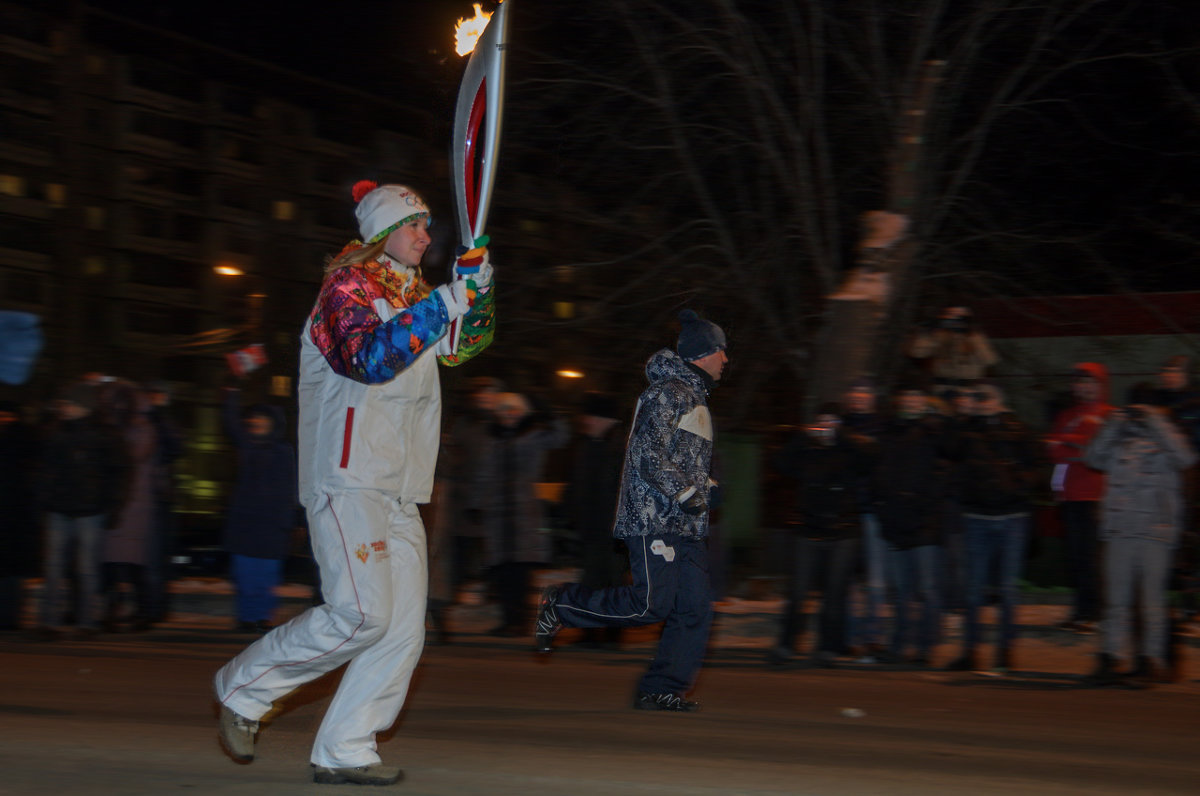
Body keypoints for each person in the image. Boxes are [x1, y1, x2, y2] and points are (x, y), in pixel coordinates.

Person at [213, 180, 495, 786]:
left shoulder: (415, 293)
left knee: (401, 630)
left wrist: (480, 292)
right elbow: (369, 358)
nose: (426, 236)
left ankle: (346, 745)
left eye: (427, 227)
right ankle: (244, 687)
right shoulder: (343, 291)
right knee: (362, 612)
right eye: (415, 225)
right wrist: (450, 298)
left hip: (402, 484)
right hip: (347, 477)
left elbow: (462, 346)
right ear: (382, 233)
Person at [534, 309, 727, 712]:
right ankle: (562, 604)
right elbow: (645, 455)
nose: (726, 359)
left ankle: (662, 687)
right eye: (721, 351)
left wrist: (706, 490)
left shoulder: (692, 397)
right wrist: (688, 492)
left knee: (693, 609)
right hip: (654, 519)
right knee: (649, 605)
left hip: (685, 524)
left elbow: (680, 461)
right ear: (704, 353)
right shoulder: (669, 392)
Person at [1084, 384, 1196, 686]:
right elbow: (1092, 457)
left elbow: (1186, 458)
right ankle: (1109, 659)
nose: (1137, 411)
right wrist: (1114, 423)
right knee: (1116, 602)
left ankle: (1150, 662)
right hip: (1120, 530)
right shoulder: (1119, 436)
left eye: (1143, 406)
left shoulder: (1168, 434)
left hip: (1154, 532)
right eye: (1134, 406)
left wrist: (1155, 419)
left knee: (1152, 602)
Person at [943, 383, 1042, 674]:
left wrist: (1017, 486)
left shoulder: (1016, 428)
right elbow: (948, 449)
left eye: (984, 398)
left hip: (1011, 517)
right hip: (977, 517)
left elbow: (1039, 464)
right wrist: (964, 417)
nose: (978, 402)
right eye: (975, 398)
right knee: (973, 590)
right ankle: (970, 651)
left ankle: (1005, 651)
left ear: (1000, 401)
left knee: (1008, 589)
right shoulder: (967, 429)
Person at [768, 403, 872, 666]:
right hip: (808, 529)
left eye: (832, 422)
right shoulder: (807, 450)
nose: (826, 427)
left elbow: (868, 462)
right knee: (799, 591)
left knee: (834, 594)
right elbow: (780, 463)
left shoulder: (850, 450)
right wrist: (803, 436)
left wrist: (843, 437)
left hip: (843, 531)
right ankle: (786, 645)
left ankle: (828, 647)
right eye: (822, 422)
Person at [32, 382, 128, 639]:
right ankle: (49, 622)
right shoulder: (56, 430)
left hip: (90, 510)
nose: (65, 408)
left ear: (84, 406)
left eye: (70, 404)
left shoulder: (105, 434)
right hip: (59, 508)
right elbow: (43, 468)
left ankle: (86, 622)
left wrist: (112, 505)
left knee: (86, 568)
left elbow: (119, 472)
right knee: (53, 567)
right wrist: (43, 498)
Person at [472, 391, 569, 635]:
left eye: (513, 410)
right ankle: (508, 619)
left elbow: (561, 437)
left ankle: (519, 620)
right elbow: (482, 474)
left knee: (520, 570)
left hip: (524, 513)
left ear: (521, 413)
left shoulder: (533, 436)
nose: (508, 415)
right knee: (502, 570)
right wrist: (475, 504)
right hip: (497, 515)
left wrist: (550, 413)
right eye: (503, 410)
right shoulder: (491, 439)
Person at [873, 383, 950, 667]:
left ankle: (926, 648)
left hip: (925, 522)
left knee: (928, 588)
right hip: (896, 519)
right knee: (903, 590)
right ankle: (899, 644)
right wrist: (884, 504)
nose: (912, 401)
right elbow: (880, 471)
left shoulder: (935, 431)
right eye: (908, 396)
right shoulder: (891, 430)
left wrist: (923, 505)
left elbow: (943, 472)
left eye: (917, 397)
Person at [220, 384, 296, 634]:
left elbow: (289, 488)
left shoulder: (283, 452)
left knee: (266, 578)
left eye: (262, 420)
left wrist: (287, 523)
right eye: (254, 420)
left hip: (271, 526)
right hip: (245, 523)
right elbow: (230, 423)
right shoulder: (247, 447)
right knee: (245, 577)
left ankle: (262, 616)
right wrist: (231, 391)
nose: (257, 423)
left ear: (272, 424)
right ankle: (246, 617)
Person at [1046, 363, 1112, 634]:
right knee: (1074, 558)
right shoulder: (1066, 415)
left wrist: (1071, 445)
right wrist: (1077, 446)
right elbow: (1052, 451)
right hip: (1069, 496)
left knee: (1091, 558)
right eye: (1079, 382)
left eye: (1089, 382)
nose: (1083, 387)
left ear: (1100, 385)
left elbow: (1099, 453)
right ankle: (1080, 610)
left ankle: (1096, 613)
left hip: (1095, 496)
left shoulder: (1109, 416)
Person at [564, 391, 628, 648]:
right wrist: (570, 514)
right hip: (592, 529)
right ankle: (590, 633)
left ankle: (613, 635)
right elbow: (577, 485)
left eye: (590, 416)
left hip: (614, 532)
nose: (585, 421)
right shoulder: (587, 446)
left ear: (605, 419)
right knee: (591, 583)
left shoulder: (622, 447)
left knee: (612, 583)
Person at [101, 380, 163, 633]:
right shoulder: (114, 427)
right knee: (112, 564)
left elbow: (131, 457)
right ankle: (113, 611)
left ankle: (142, 612)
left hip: (134, 505)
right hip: (115, 503)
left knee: (133, 564)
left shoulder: (141, 429)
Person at [841, 379, 887, 660]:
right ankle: (851, 637)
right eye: (855, 391)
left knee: (875, 579)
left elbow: (877, 461)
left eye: (865, 392)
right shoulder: (841, 424)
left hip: (872, 511)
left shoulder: (882, 427)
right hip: (846, 511)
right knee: (847, 579)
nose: (860, 397)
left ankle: (873, 636)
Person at [907, 306, 998, 397]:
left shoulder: (976, 336)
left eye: (960, 316)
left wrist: (971, 336)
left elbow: (990, 360)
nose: (955, 319)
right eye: (950, 315)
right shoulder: (939, 335)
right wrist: (924, 333)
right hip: (941, 387)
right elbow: (917, 353)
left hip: (968, 389)